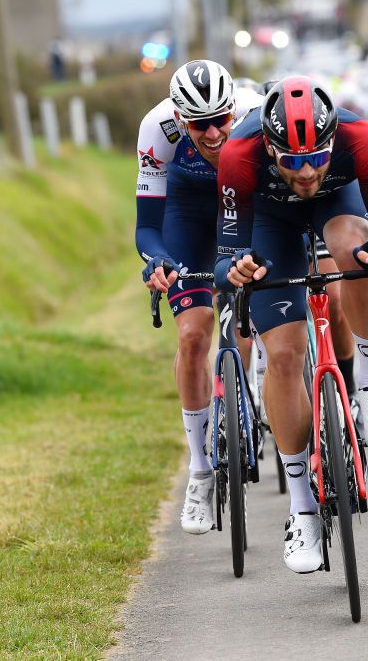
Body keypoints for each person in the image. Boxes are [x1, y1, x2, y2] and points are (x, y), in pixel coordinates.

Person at [214, 76, 368, 573]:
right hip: (270, 222)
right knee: (283, 357)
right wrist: (238, 268)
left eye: (316, 158)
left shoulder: (362, 140)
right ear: (269, 147)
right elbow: (226, 260)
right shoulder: (239, 154)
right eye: (291, 161)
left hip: (338, 208)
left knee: (361, 246)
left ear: (332, 142)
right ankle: (302, 504)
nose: (306, 172)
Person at [135, 59, 263, 536]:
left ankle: (260, 365)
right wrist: (158, 261)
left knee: (257, 308)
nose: (212, 133)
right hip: (187, 211)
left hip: (246, 204)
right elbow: (148, 226)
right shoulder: (157, 128)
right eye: (199, 124)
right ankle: (201, 471)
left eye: (220, 120)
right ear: (180, 119)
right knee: (193, 335)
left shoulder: (254, 114)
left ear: (234, 110)